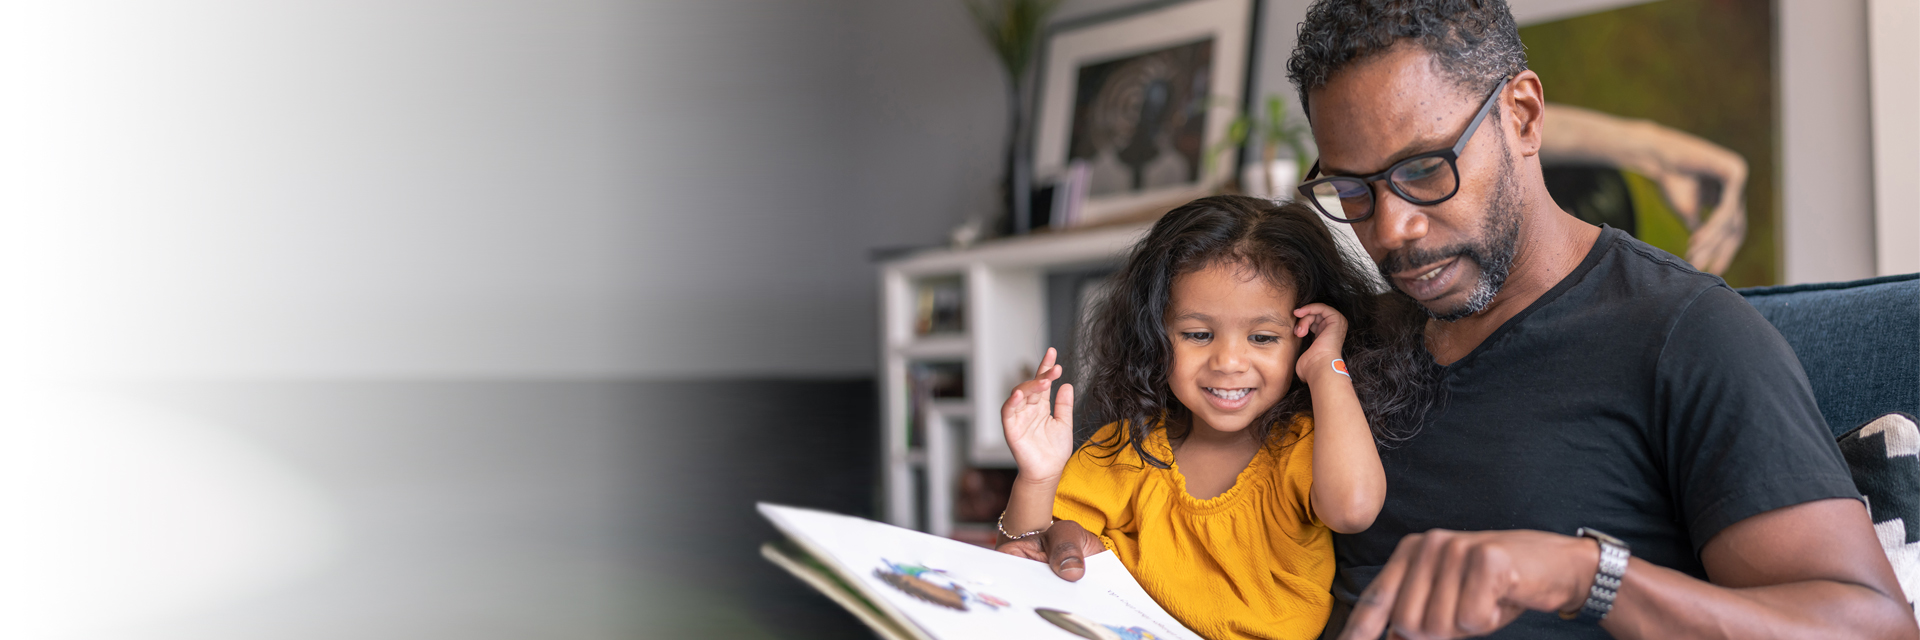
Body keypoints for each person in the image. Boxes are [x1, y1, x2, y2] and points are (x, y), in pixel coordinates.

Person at [1281, 1, 1915, 638]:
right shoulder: (1341, 338)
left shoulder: (1683, 333)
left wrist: (1587, 575)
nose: (1393, 231)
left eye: (1424, 170)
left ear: (1522, 116)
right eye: (1353, 191)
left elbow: (1876, 628)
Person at [992, 195, 1435, 640]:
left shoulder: (1303, 445)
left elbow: (1353, 511)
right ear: (1156, 336)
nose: (1228, 361)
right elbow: (1027, 558)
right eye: (1198, 334)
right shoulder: (1128, 449)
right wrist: (1037, 476)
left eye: (1262, 337)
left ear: (1302, 340)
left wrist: (1327, 367)